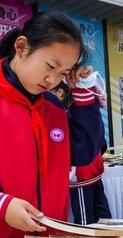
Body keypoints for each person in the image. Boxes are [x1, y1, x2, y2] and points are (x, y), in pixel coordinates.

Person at [0, 11, 104, 238]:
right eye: (50, 66)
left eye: (63, 73)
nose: (53, 80)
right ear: (21, 47)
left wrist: (83, 91)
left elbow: (84, 151)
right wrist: (3, 204)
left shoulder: (52, 108)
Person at [48, 81, 111, 225]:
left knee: (84, 217)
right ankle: (111, 237)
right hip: (94, 169)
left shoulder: (68, 114)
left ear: (60, 92)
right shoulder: (86, 112)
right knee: (102, 211)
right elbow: (101, 143)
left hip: (81, 173)